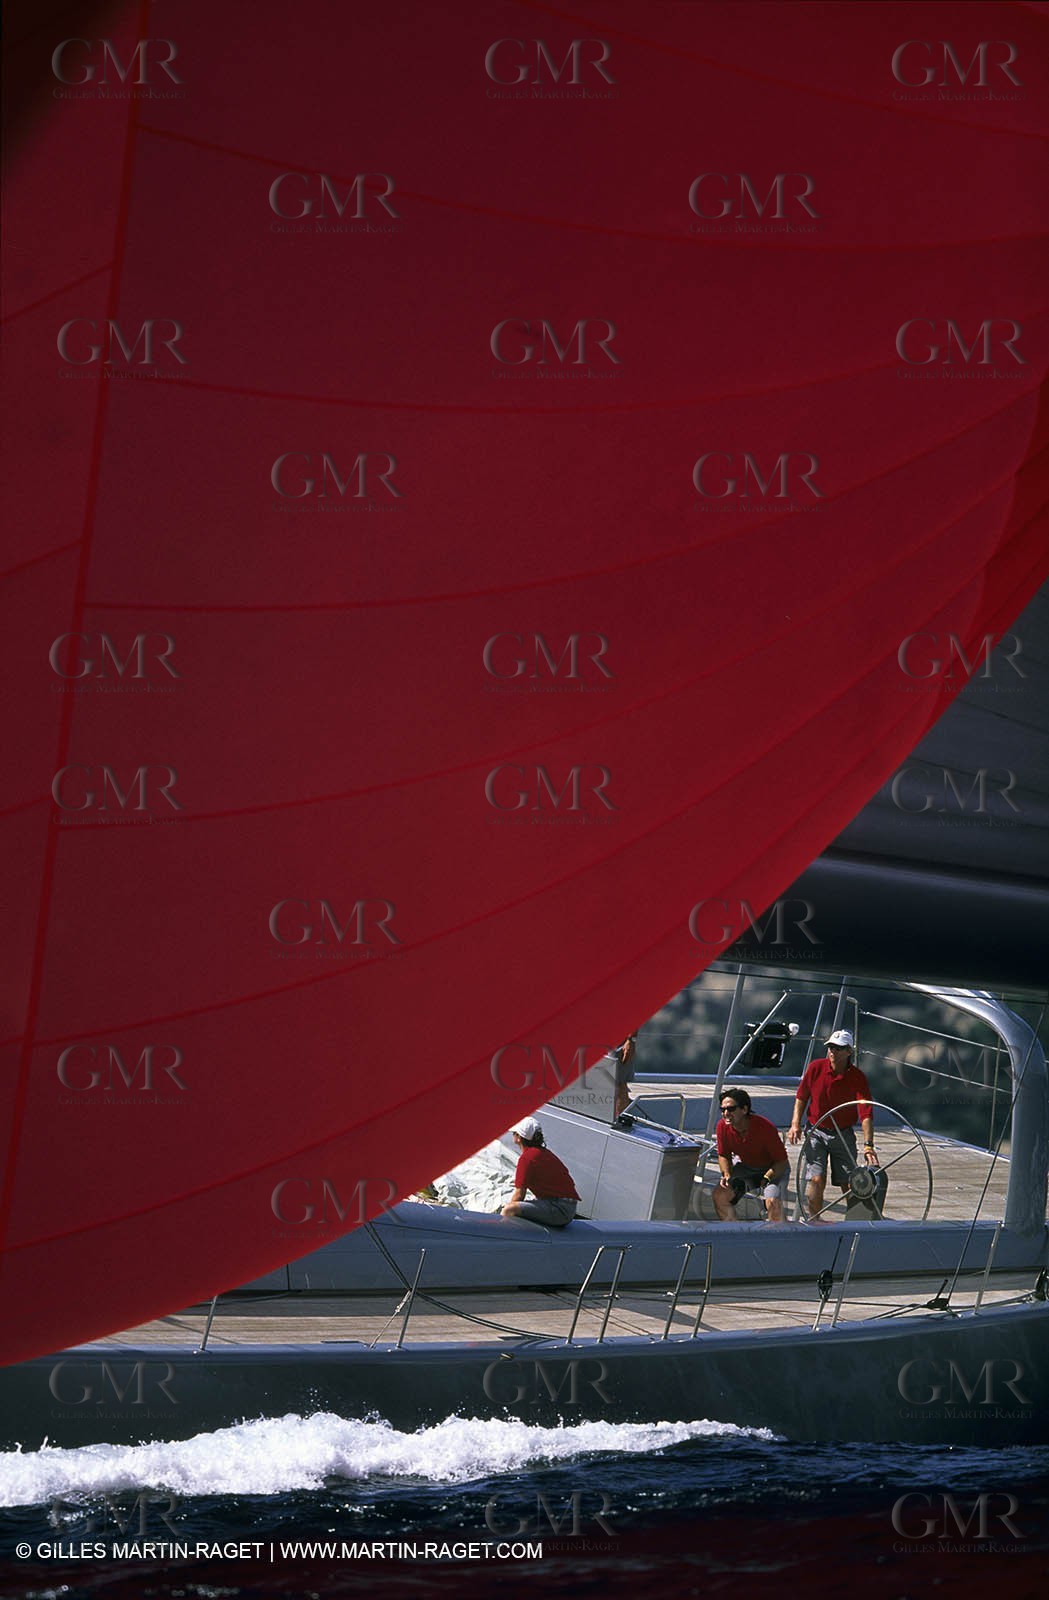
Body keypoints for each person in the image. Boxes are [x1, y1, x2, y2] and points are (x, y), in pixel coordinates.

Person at [788, 1029, 877, 1221]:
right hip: (816, 1131)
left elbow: (865, 1112)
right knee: (816, 1178)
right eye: (830, 1047)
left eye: (838, 1048)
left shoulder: (857, 1077)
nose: (832, 1052)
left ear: (848, 1052)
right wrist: (795, 1123)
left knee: (849, 1182)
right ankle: (815, 1219)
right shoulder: (815, 1068)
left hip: (842, 1134)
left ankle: (857, 1220)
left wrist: (868, 1144)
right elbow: (802, 1096)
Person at [713, 1087, 790, 1223]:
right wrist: (726, 1174)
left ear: (744, 1109)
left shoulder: (765, 1128)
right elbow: (723, 1155)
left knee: (773, 1203)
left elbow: (782, 1162)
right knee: (720, 1195)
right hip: (747, 1168)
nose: (726, 1113)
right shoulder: (722, 1127)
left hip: (773, 1169)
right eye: (722, 1110)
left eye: (731, 1109)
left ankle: (778, 1238)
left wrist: (766, 1178)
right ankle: (735, 1234)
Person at [501, 1117, 580, 1227]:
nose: (513, 1135)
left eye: (514, 1133)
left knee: (510, 1209)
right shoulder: (543, 1153)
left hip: (560, 1210)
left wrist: (503, 1217)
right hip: (567, 1207)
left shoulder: (527, 1158)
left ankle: (503, 1240)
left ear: (519, 1137)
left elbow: (519, 1195)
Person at [613, 1032, 638, 1120]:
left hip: (618, 1039)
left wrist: (631, 1040)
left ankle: (620, 1120)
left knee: (619, 1082)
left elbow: (634, 1018)